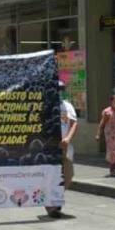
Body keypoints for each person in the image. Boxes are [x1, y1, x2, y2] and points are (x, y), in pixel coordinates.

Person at [45, 81, 79, 218]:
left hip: (65, 147)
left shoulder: (67, 106)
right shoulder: (46, 106)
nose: (59, 91)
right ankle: (52, 203)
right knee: (52, 177)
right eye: (57, 89)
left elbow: (74, 123)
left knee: (68, 175)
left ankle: (55, 198)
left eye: (61, 89)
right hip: (50, 148)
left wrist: (68, 139)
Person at [96, 93, 115, 177]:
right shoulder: (107, 112)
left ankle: (114, 170)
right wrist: (98, 134)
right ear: (111, 101)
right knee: (113, 152)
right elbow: (102, 124)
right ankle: (112, 171)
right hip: (110, 136)